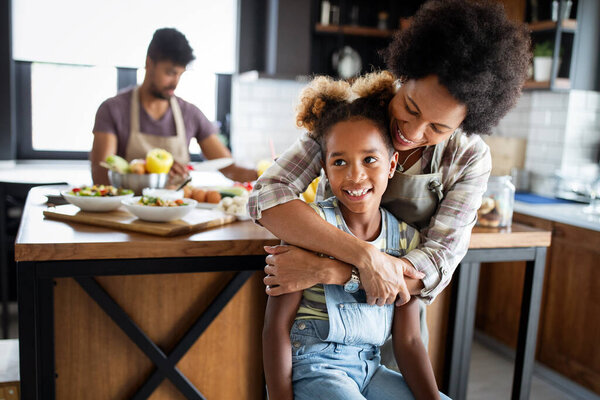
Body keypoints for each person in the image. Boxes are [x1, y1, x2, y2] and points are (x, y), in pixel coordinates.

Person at [249, 0, 530, 311]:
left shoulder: (469, 158)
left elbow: (436, 263)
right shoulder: (350, 115)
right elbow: (266, 196)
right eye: (410, 107)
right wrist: (364, 255)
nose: (412, 131)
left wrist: (334, 271)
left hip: (400, 310)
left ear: (465, 123)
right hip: (323, 308)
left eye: (437, 127)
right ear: (404, 74)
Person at [263, 72, 448, 400]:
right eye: (340, 162)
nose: (355, 175)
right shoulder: (309, 228)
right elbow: (276, 329)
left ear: (392, 165)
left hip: (371, 368)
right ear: (324, 168)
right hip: (314, 368)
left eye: (370, 159)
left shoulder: (406, 240)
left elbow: (408, 341)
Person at [90, 28, 257, 185]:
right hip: (126, 215)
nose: (175, 82)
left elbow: (229, 168)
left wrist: (268, 173)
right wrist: (154, 171)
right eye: (170, 73)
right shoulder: (112, 109)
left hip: (178, 211)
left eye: (180, 74)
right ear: (149, 63)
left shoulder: (190, 114)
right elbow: (101, 175)